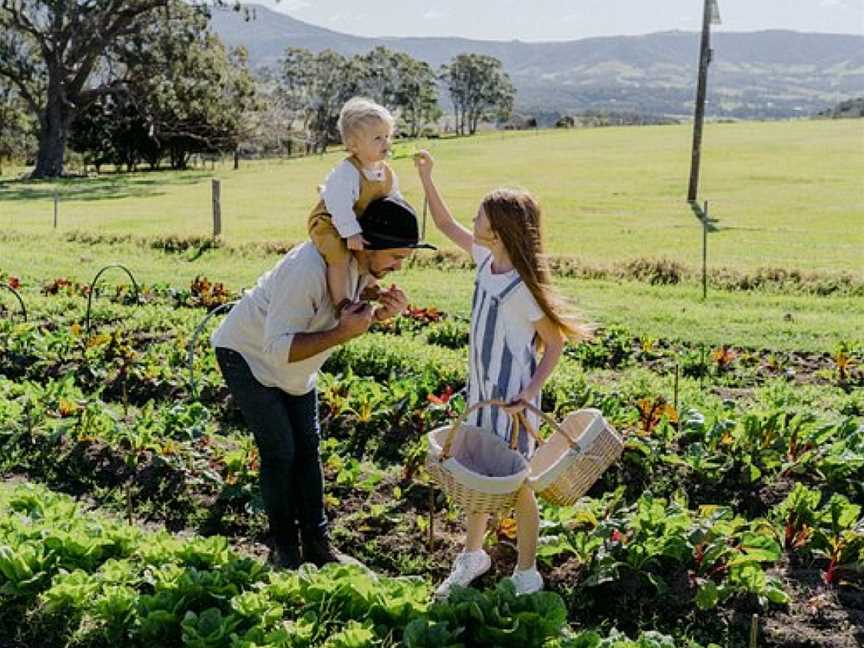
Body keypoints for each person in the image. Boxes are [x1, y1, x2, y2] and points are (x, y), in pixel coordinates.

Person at [212, 195, 434, 569]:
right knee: (281, 451)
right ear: (370, 244)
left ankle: (319, 546)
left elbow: (341, 307)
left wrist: (377, 315)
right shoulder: (309, 269)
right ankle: (285, 551)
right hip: (248, 355)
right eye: (396, 257)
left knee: (308, 450)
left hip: (294, 368)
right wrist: (344, 334)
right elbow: (279, 348)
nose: (398, 267)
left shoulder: (355, 264)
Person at [414, 150, 591, 597]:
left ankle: (526, 572)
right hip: (482, 390)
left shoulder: (520, 289)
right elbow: (442, 224)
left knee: (519, 484)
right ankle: (473, 555)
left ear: (497, 231)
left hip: (513, 403)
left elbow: (554, 344)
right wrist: (427, 177)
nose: (472, 218)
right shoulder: (483, 259)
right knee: (479, 474)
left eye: (481, 215)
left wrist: (530, 392)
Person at [308, 97, 403, 313]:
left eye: (388, 136)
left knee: (373, 248)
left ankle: (368, 287)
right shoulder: (348, 172)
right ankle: (342, 302)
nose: (386, 143)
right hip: (331, 222)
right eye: (378, 138)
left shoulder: (385, 171)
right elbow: (339, 205)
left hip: (359, 222)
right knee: (339, 256)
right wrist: (350, 232)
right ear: (353, 145)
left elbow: (395, 200)